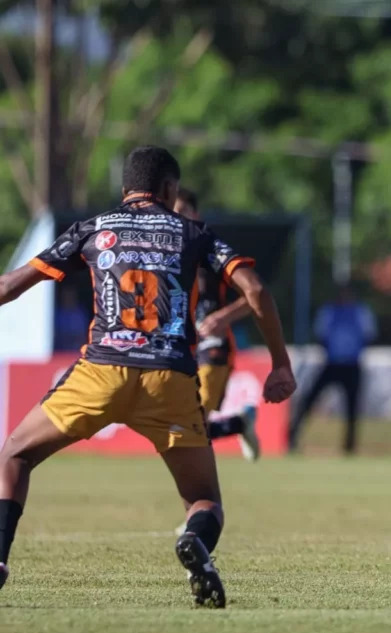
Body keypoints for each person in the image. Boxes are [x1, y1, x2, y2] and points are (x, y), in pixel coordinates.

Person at [0, 146, 296, 607]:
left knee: (15, 456)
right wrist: (280, 363)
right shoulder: (194, 232)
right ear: (170, 190)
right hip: (169, 378)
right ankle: (196, 543)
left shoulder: (93, 228)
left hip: (100, 373)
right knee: (204, 501)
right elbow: (255, 289)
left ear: (124, 189)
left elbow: (7, 287)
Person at [173, 188, 260, 462]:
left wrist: (222, 318)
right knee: (183, 427)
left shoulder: (211, 249)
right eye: (171, 212)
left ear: (195, 214)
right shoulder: (160, 253)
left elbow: (255, 295)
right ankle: (238, 423)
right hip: (180, 348)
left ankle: (203, 495)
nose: (176, 218)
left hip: (214, 346)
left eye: (182, 211)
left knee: (193, 422)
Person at [289, 286, 377, 454]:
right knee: (309, 399)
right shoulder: (329, 312)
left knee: (352, 407)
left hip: (352, 365)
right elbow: (321, 335)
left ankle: (349, 446)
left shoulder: (360, 312)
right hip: (332, 363)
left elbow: (369, 335)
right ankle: (292, 436)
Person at [53, 287, 90, 352]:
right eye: (66, 296)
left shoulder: (80, 313)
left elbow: (83, 334)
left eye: (70, 295)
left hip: (76, 350)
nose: (68, 298)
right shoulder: (57, 313)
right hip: (58, 351)